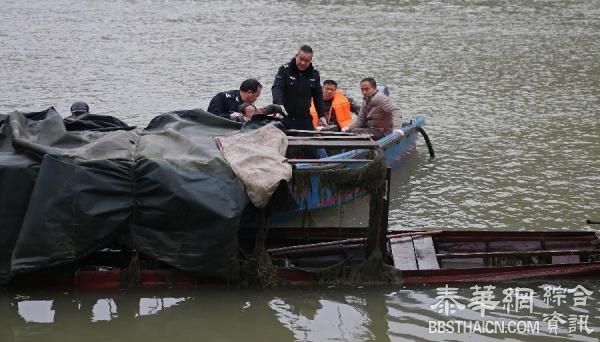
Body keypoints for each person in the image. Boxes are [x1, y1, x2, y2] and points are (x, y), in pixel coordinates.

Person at [272, 45, 327, 130]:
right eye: (301, 59)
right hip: (285, 116)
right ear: (296, 56)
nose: (303, 63)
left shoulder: (314, 74)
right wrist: (279, 105)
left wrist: (321, 115)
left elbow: (318, 96)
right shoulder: (284, 70)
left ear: (311, 60)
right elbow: (277, 88)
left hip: (304, 118)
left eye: (307, 61)